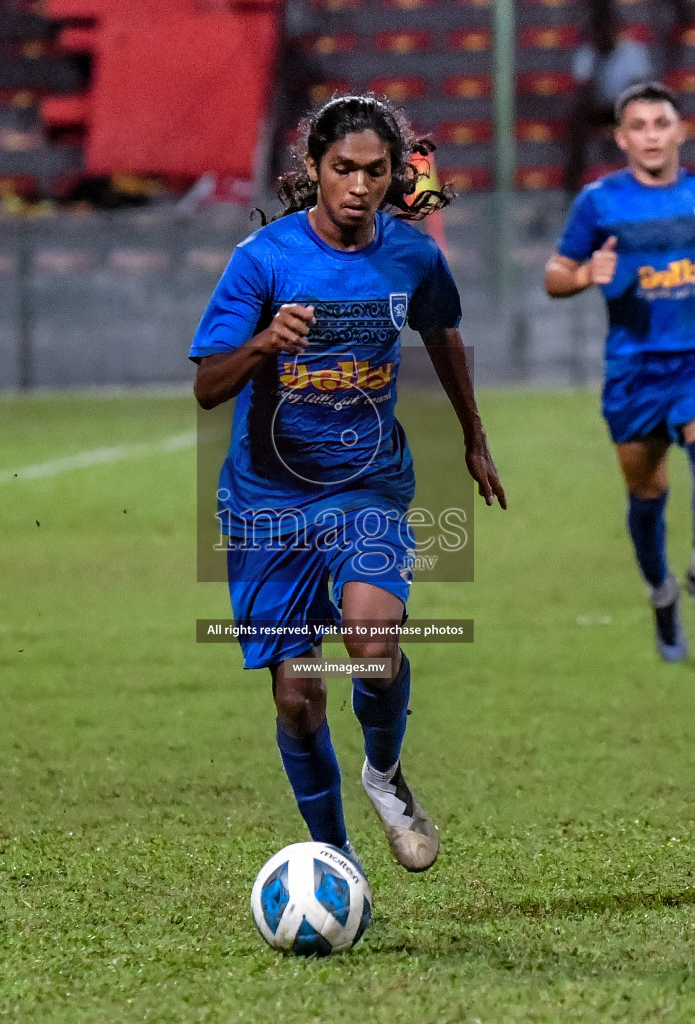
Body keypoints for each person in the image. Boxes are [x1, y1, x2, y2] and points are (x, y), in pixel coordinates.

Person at [190, 95, 505, 871]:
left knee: (373, 642)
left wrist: (474, 436)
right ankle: (333, 860)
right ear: (314, 171)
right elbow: (207, 386)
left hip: (367, 489)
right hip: (268, 503)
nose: (359, 186)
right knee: (299, 698)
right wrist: (266, 341)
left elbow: (442, 334)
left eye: (375, 171)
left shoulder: (413, 256)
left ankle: (385, 773)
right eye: (343, 170)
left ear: (396, 175)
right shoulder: (262, 259)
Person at [543, 82, 695, 662]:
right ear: (622, 138)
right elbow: (555, 274)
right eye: (639, 126)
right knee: (647, 494)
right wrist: (583, 276)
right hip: (634, 370)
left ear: (680, 131)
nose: (651, 135)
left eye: (661, 123)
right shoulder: (599, 202)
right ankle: (662, 593)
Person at [563, 0, 653, 197]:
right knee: (578, 115)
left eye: (608, 30)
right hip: (599, 109)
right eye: (599, 31)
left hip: (627, 107)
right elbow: (583, 90)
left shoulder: (633, 53)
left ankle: (646, 177)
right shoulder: (588, 54)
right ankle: (572, 182)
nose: (603, 36)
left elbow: (640, 89)